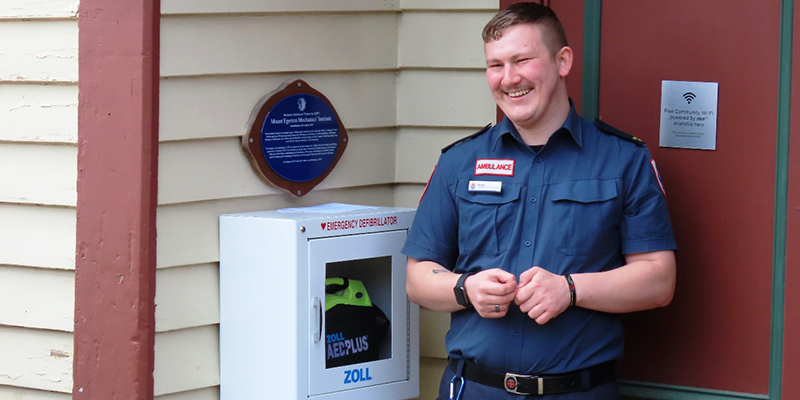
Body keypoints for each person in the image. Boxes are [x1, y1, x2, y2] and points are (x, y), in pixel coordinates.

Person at [401, 3, 677, 399]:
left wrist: (570, 289)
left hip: (578, 391)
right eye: (495, 65)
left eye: (522, 60)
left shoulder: (623, 160)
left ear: (562, 60)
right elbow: (417, 278)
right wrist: (466, 288)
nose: (508, 79)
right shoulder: (460, 162)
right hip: (476, 389)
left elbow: (659, 279)